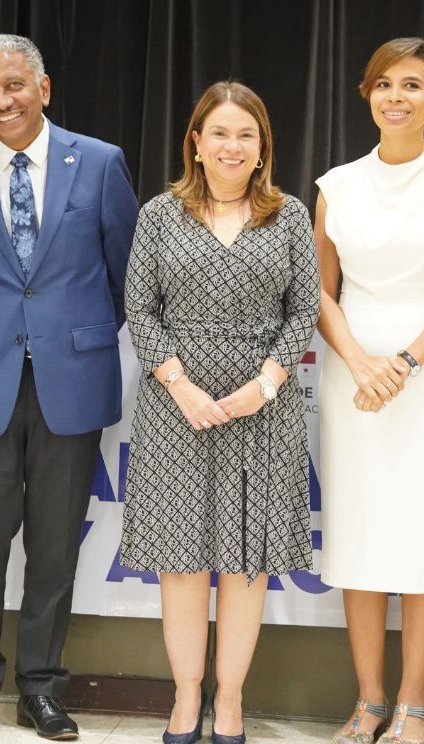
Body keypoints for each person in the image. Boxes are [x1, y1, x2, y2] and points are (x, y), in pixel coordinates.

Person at [0, 34, 138, 741]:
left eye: (14, 85)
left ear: (43, 88)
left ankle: (42, 689)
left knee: (55, 548)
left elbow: (125, 273)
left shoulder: (100, 162)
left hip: (71, 383)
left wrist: (67, 336)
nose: (3, 101)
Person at [120, 81, 319, 744]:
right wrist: (180, 386)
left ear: (262, 148)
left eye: (245, 135)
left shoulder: (288, 216)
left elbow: (305, 309)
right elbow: (140, 308)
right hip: (174, 410)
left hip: (262, 410)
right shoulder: (160, 214)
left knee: (244, 562)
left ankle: (228, 701)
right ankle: (186, 698)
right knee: (181, 561)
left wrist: (265, 384)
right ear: (197, 144)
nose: (232, 146)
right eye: (220, 134)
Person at [315, 38, 424, 744]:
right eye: (384, 83)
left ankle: (413, 703)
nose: (397, 96)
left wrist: (404, 364)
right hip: (351, 373)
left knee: (420, 538)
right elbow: (321, 291)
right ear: (367, 94)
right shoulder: (336, 184)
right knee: (358, 535)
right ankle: (368, 700)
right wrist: (362, 363)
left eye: (412, 85)